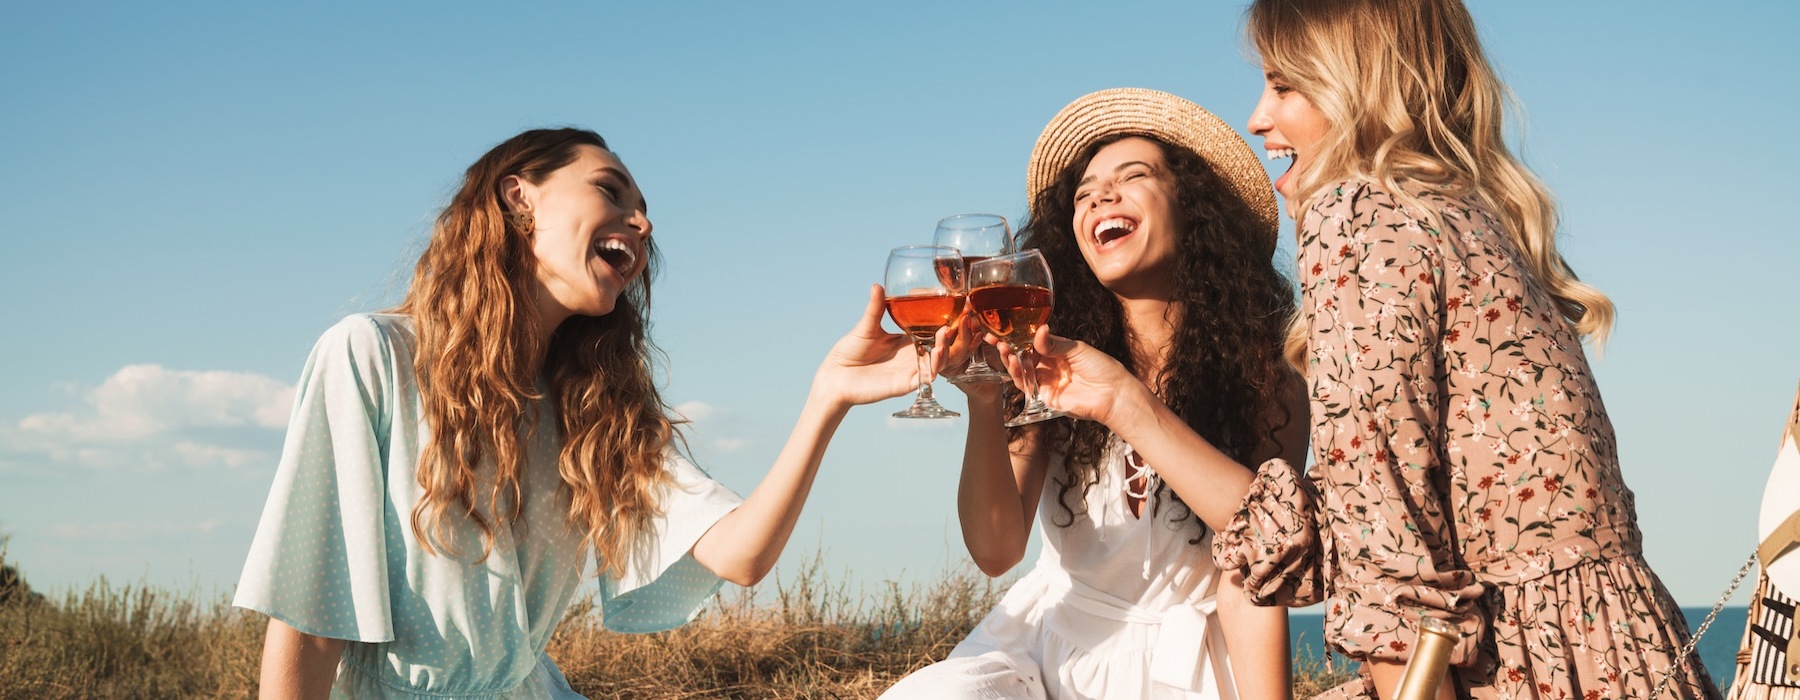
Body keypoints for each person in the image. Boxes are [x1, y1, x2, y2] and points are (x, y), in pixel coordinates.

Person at [1002, 1, 1721, 698]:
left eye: (1283, 84)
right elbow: (1343, 532)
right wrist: (1125, 401)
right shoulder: (1464, 212)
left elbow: (1391, 570)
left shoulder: (1357, 217)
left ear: (1359, 84)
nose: (1258, 117)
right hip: (1616, 651)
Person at [232, 127, 923, 699]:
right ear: (519, 197)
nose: (643, 222)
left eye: (644, 208)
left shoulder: (598, 406)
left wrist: (827, 398)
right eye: (609, 190)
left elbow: (740, 555)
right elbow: (311, 617)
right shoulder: (370, 355)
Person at [881, 88, 1305, 700]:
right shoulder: (1049, 358)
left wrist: (1124, 403)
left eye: (1132, 177)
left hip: (1190, 670)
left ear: (1195, 210)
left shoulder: (1266, 369)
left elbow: (1263, 554)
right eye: (1083, 193)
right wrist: (982, 399)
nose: (1101, 196)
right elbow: (997, 550)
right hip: (1048, 649)